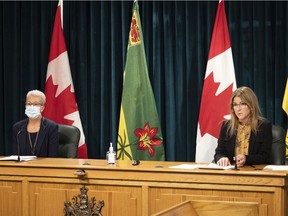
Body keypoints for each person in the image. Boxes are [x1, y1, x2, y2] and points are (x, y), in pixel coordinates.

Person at [214, 86, 272, 167]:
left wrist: (246, 159)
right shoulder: (226, 126)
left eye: (242, 104)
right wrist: (221, 158)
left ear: (251, 106)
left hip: (254, 173)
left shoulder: (264, 126)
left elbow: (266, 157)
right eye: (235, 105)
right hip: (231, 172)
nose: (238, 109)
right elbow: (219, 152)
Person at [12, 90, 59, 157]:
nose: (31, 107)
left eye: (35, 104)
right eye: (28, 104)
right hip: (23, 167)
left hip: (44, 166)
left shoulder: (51, 127)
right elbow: (16, 156)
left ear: (42, 108)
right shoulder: (17, 128)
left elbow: (53, 156)